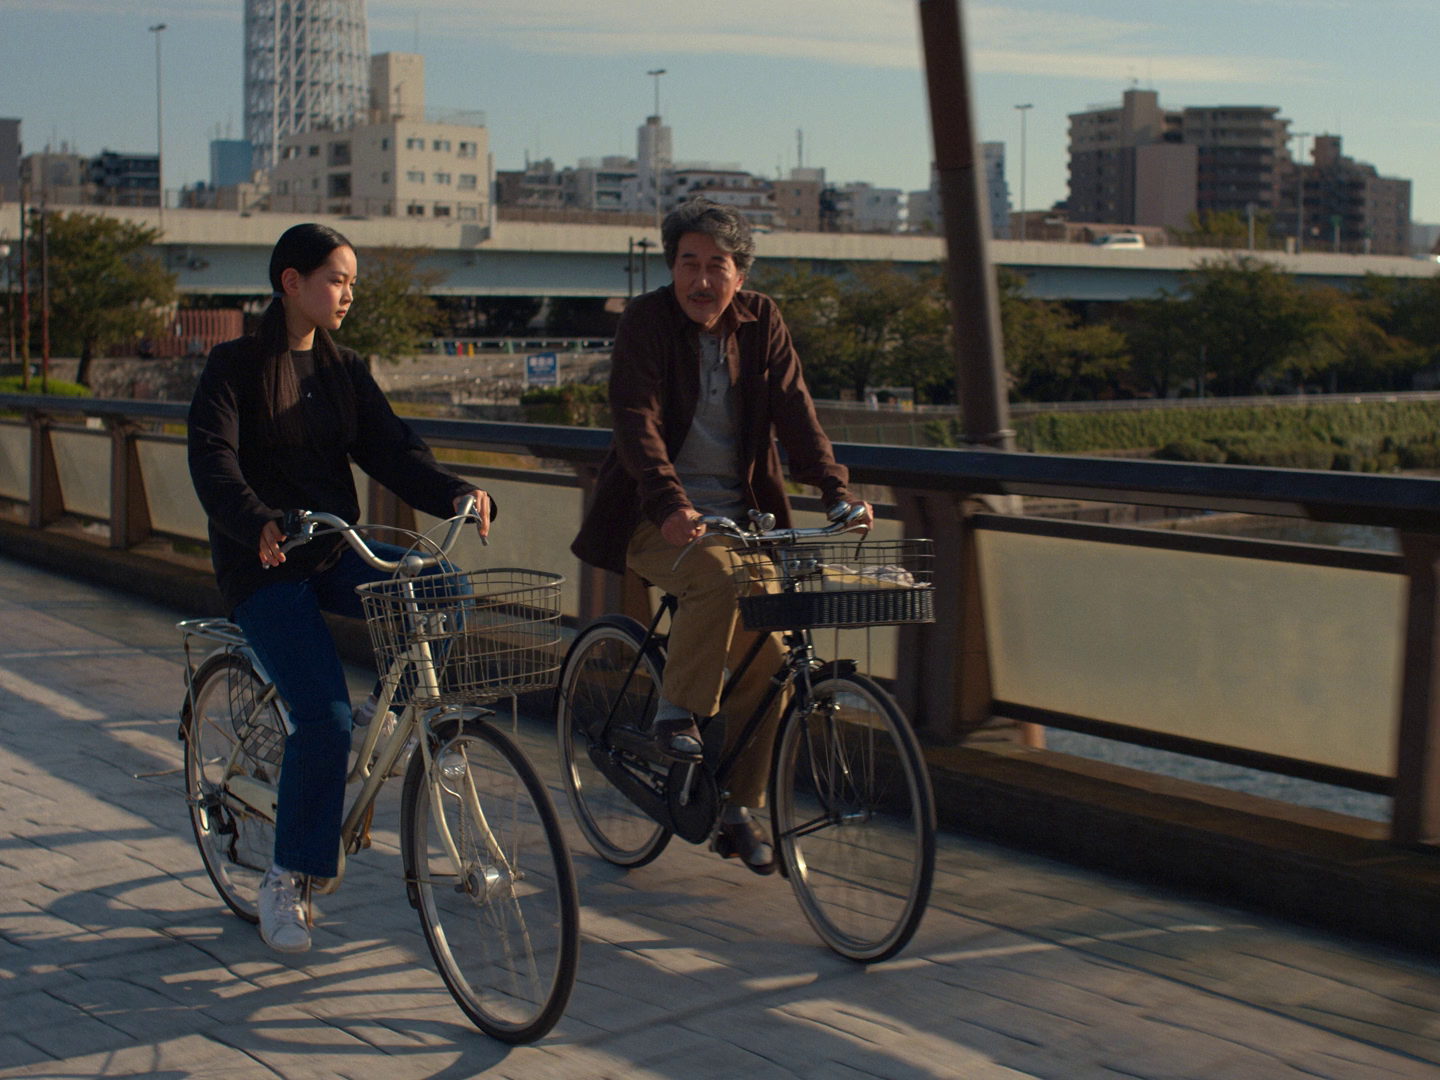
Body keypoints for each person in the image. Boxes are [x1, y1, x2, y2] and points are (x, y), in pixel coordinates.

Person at [188, 223, 493, 953]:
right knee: (320, 719)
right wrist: (255, 520)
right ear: (291, 282)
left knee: (443, 584)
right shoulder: (234, 365)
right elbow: (212, 460)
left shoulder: (343, 369)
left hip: (332, 551)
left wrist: (456, 490)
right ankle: (287, 877)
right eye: (336, 279)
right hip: (263, 565)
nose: (348, 293)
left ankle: (382, 715)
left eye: (353, 281)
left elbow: (392, 449)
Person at [572, 199, 870, 875]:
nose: (701, 280)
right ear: (671, 267)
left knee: (773, 656)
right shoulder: (647, 321)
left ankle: (736, 808)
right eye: (688, 263)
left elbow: (796, 410)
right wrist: (670, 502)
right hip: (653, 515)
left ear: (741, 275)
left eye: (717, 265)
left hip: (743, 521)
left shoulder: (763, 322)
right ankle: (674, 715)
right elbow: (635, 419)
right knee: (716, 576)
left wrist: (836, 493)